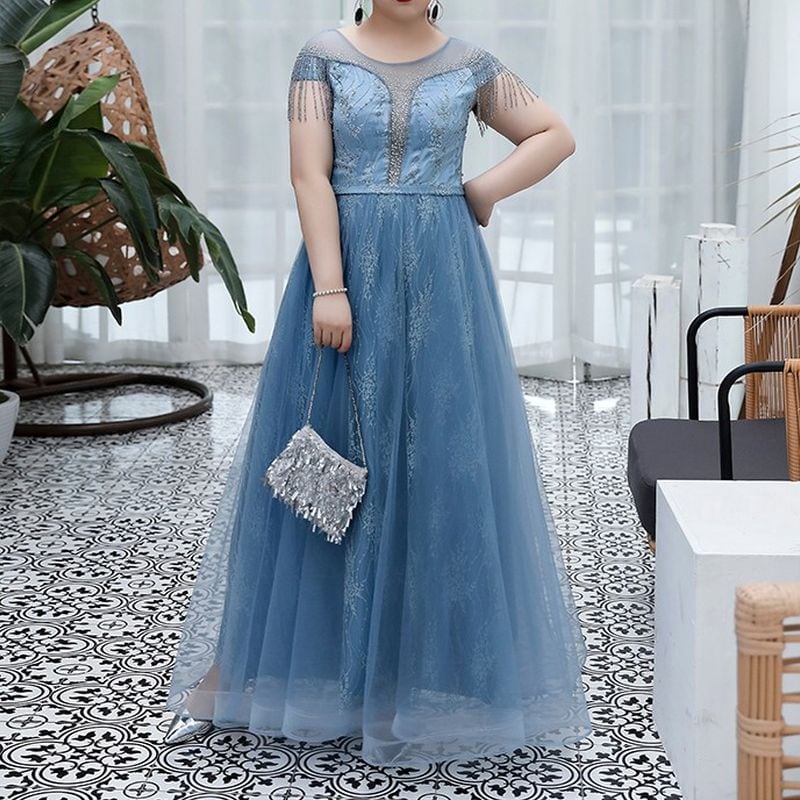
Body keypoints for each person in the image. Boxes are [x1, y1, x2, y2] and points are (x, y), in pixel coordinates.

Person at [163, 0, 591, 768]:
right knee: (319, 466)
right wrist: (331, 286)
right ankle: (242, 673)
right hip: (348, 274)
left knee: (439, 469)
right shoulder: (321, 56)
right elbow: (309, 174)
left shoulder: (471, 64)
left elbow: (554, 134)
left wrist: (483, 190)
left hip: (442, 280)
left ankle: (413, 672)